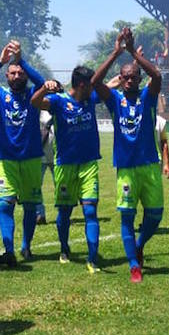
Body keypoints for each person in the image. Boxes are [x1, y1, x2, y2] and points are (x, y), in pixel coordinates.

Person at [93, 27, 164, 283]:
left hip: (149, 165)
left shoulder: (148, 97)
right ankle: (134, 264)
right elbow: (94, 83)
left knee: (155, 214)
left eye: (134, 76)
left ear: (139, 79)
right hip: (125, 167)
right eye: (126, 77)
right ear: (121, 81)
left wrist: (133, 52)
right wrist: (115, 53)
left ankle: (139, 244)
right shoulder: (114, 101)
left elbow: (156, 75)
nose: (130, 80)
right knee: (127, 215)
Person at [0, 40, 45, 265]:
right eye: (12, 73)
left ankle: (26, 246)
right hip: (5, 159)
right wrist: (0, 62)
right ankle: (9, 251)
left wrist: (21, 59)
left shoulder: (34, 94)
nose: (17, 76)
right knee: (6, 204)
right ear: (6, 76)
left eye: (20, 73)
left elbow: (43, 82)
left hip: (32, 157)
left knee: (30, 206)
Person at [31, 66, 104, 272]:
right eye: (91, 84)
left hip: (89, 164)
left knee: (90, 210)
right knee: (65, 211)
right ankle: (64, 249)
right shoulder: (59, 101)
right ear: (82, 84)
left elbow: (112, 82)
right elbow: (35, 102)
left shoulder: (91, 98)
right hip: (64, 165)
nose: (94, 88)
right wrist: (45, 88)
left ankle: (92, 258)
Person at [36, 98, 58, 226]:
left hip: (57, 154)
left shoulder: (60, 107)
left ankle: (63, 211)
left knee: (60, 185)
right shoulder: (37, 109)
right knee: (36, 186)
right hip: (40, 154)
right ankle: (39, 214)